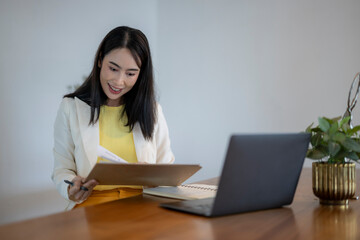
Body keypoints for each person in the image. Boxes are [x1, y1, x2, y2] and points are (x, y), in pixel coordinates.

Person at [52, 26, 175, 210]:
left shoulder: (153, 111)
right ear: (100, 59)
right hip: (92, 206)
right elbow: (62, 169)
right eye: (113, 68)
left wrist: (154, 179)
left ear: (140, 74)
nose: (119, 81)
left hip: (144, 207)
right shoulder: (71, 108)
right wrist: (72, 186)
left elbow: (168, 171)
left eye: (130, 74)